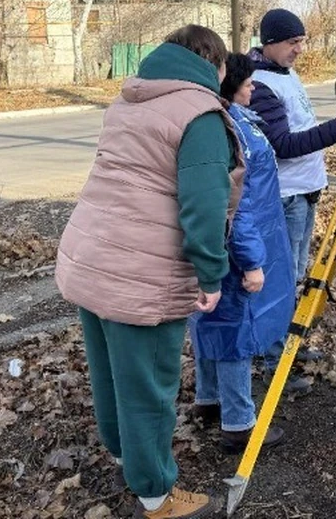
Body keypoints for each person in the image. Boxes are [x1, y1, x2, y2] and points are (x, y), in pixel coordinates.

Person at [56, 25, 243, 519]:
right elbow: (205, 205)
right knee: (149, 386)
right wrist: (210, 275)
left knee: (112, 373)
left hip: (93, 256)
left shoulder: (129, 100)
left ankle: (124, 454)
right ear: (215, 66)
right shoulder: (199, 113)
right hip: (142, 272)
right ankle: (156, 493)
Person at [248, 8, 336, 390]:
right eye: (293, 42)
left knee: (295, 276)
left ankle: (289, 346)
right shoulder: (261, 84)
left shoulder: (284, 72)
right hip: (285, 197)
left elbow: (297, 126)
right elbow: (282, 145)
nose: (300, 49)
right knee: (280, 280)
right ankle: (273, 358)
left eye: (302, 41)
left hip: (304, 192)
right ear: (271, 43)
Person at [188, 52, 295, 454]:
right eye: (248, 82)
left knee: (211, 320)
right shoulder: (231, 131)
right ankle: (239, 423)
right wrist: (251, 261)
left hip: (228, 241)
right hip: (237, 246)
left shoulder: (225, 121)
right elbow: (238, 205)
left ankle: (209, 398)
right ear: (229, 87)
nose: (254, 87)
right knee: (234, 329)